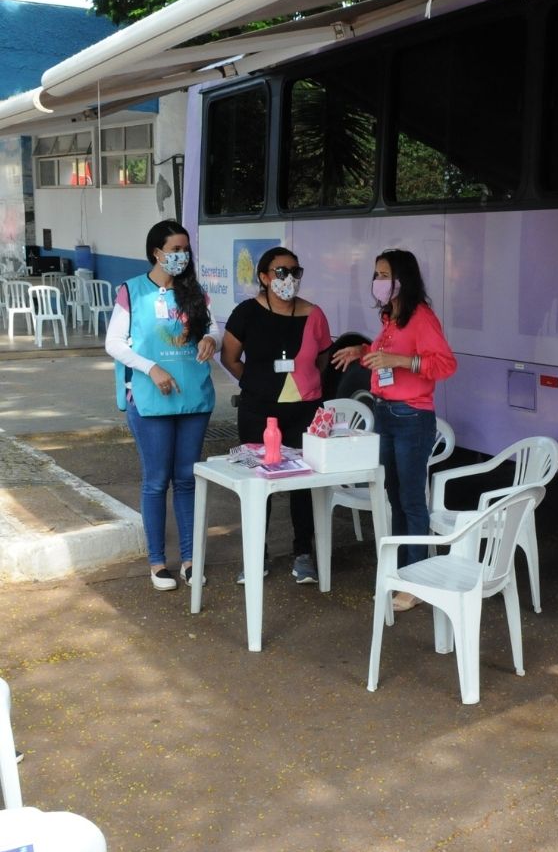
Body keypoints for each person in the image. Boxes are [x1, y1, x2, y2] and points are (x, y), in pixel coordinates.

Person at [331, 248, 456, 612]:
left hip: (412, 418)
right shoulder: (392, 318)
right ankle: (404, 572)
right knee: (394, 495)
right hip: (385, 413)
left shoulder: (421, 317)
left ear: (402, 278)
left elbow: (445, 364)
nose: (378, 282)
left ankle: (418, 578)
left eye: (383, 274)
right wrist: (362, 350)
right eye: (376, 274)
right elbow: (385, 354)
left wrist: (398, 361)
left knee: (413, 500)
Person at [106, 220, 221, 590]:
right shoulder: (132, 292)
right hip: (150, 399)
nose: (181, 256)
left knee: (187, 480)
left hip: (193, 399)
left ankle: (190, 560)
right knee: (157, 481)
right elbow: (115, 344)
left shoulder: (195, 292)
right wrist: (150, 367)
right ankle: (157, 562)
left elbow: (213, 327)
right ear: (156, 252)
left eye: (185, 249)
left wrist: (210, 340)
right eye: (174, 249)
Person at [220, 246, 332, 584]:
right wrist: (257, 385)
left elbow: (323, 358)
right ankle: (257, 555)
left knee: (303, 484)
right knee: (258, 483)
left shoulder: (314, 314)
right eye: (280, 272)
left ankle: (303, 553)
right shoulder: (247, 312)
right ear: (265, 277)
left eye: (294, 272)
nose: (288, 278)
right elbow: (230, 358)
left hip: (303, 411)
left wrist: (304, 386)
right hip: (259, 411)